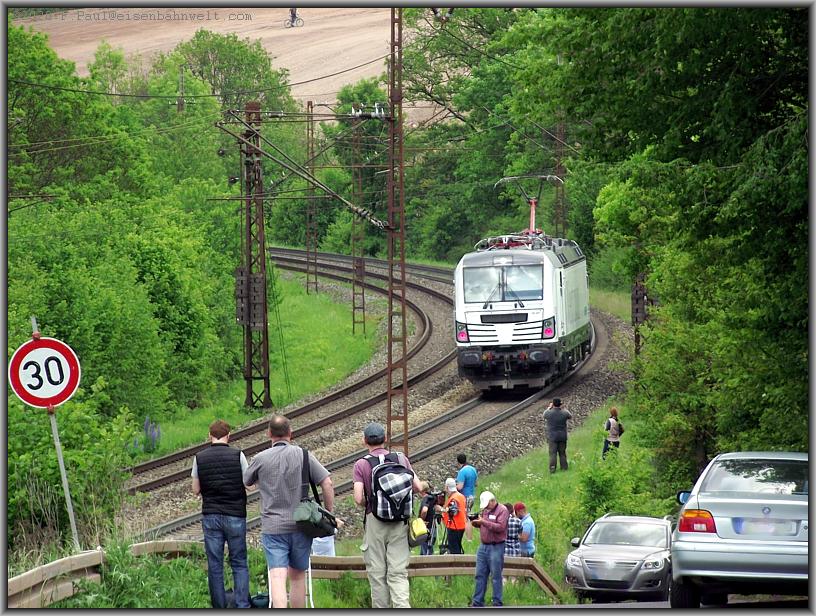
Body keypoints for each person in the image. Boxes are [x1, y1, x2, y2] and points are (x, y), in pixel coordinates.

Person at [243, 414, 334, 608]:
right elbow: (327, 482)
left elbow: (246, 482)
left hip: (273, 527)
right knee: (297, 577)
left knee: (277, 575)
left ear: (269, 434)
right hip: (301, 525)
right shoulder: (304, 455)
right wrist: (328, 512)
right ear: (290, 433)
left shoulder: (260, 458)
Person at [353, 422, 423, 608]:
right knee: (398, 573)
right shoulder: (401, 459)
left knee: (377, 573)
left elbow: (358, 498)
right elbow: (417, 487)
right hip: (400, 522)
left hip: (375, 521)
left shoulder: (362, 464)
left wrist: (371, 503)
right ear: (385, 439)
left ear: (364, 441)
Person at [192, 420, 251, 609]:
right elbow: (248, 484)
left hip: (211, 516)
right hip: (235, 515)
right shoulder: (238, 455)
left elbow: (195, 489)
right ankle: (242, 605)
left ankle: (219, 606)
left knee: (215, 564)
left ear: (210, 435)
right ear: (229, 435)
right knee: (239, 562)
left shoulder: (199, 457)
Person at [470, 491, 509, 607]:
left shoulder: (503, 510)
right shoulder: (485, 511)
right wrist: (477, 523)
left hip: (496, 546)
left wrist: (483, 522)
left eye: (487, 505)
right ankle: (477, 601)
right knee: (480, 574)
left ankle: (497, 602)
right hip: (483, 546)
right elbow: (485, 524)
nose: (486, 507)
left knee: (496, 575)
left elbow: (500, 527)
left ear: (493, 501)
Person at [436, 477, 466, 554]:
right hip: (460, 525)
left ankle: (456, 564)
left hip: (454, 526)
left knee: (454, 549)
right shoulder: (460, 496)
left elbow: (454, 511)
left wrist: (441, 509)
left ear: (447, 487)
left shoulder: (454, 498)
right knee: (457, 546)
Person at [543, 398, 572, 473]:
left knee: (553, 454)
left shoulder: (549, 413)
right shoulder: (564, 413)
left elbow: (544, 415)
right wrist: (564, 408)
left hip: (552, 437)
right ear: (560, 404)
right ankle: (564, 468)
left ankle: (552, 469)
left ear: (553, 404)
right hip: (562, 436)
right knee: (562, 453)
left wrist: (549, 407)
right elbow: (570, 416)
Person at [417, 481, 438, 556]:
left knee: (426, 550)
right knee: (427, 549)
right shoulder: (432, 498)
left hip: (425, 527)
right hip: (433, 526)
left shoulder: (426, 498)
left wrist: (421, 520)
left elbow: (424, 510)